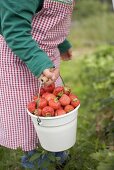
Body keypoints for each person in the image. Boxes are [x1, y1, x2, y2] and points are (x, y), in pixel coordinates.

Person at [0, 0, 74, 169]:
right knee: (30, 121)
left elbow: (47, 20)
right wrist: (40, 63)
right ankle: (38, 162)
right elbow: (15, 29)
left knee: (54, 113)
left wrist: (62, 43)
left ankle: (57, 155)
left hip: (46, 59)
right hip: (19, 59)